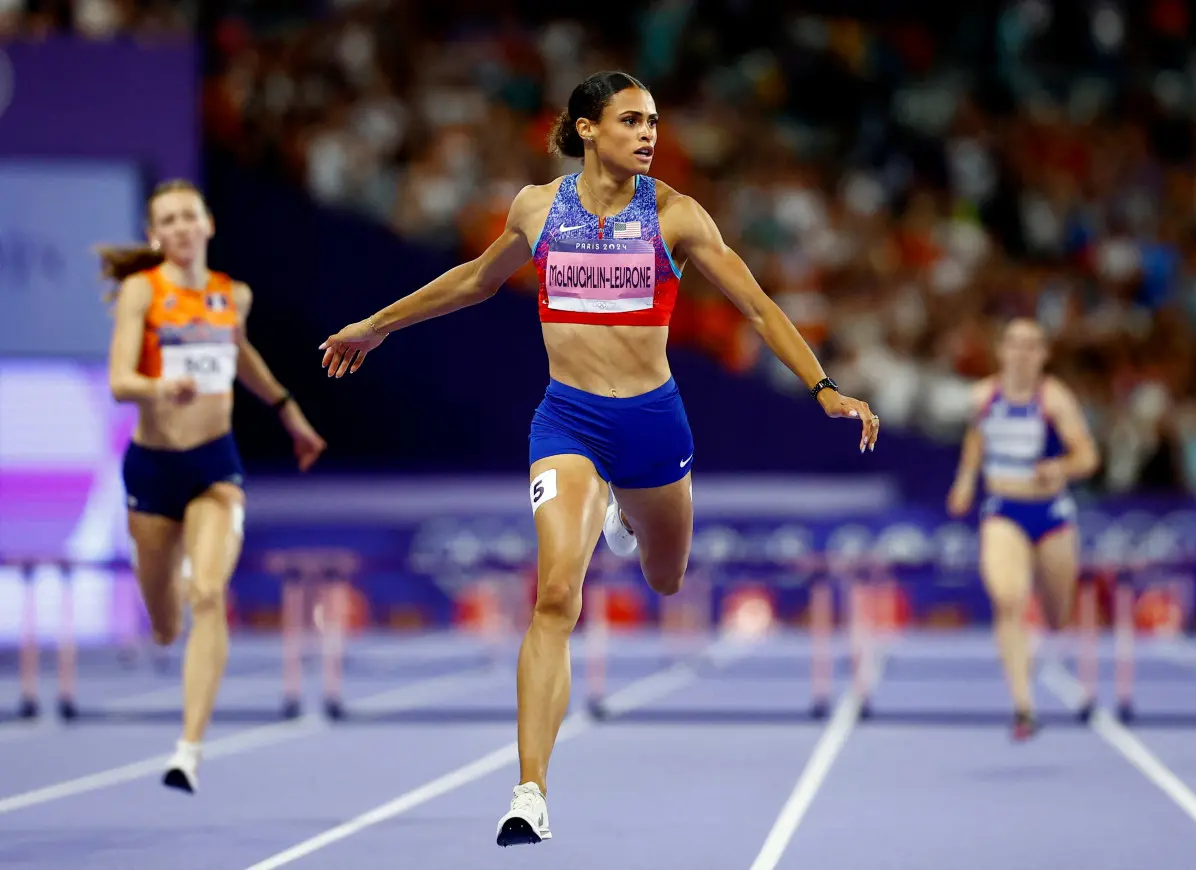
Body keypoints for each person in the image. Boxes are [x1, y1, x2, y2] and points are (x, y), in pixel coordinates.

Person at [318, 71, 880, 846]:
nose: (649, 135)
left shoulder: (677, 216)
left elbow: (755, 304)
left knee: (666, 576)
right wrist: (377, 324)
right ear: (586, 128)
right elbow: (478, 281)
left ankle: (626, 515)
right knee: (555, 598)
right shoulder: (537, 207)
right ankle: (530, 791)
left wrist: (823, 386)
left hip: (653, 425)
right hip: (568, 422)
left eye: (654, 122)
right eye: (631, 121)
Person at [100, 179, 327, 793]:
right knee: (166, 624)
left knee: (208, 593)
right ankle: (171, 588)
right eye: (166, 220)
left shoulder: (234, 296)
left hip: (214, 467)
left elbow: (240, 354)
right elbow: (121, 379)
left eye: (187, 216)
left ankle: (188, 749)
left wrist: (289, 411)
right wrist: (157, 388)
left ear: (207, 225)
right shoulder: (141, 292)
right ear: (155, 235)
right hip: (152, 470)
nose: (178, 227)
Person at [947, 317, 1099, 740]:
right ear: (1001, 350)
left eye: (1032, 345)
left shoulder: (1055, 400)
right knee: (1008, 600)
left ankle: (1049, 634)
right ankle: (1023, 706)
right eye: (1014, 344)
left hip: (1050, 514)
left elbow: (1088, 455)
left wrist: (1062, 467)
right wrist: (965, 479)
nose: (1022, 353)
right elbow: (977, 437)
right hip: (1003, 509)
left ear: (1044, 354)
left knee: (1056, 616)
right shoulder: (983, 395)